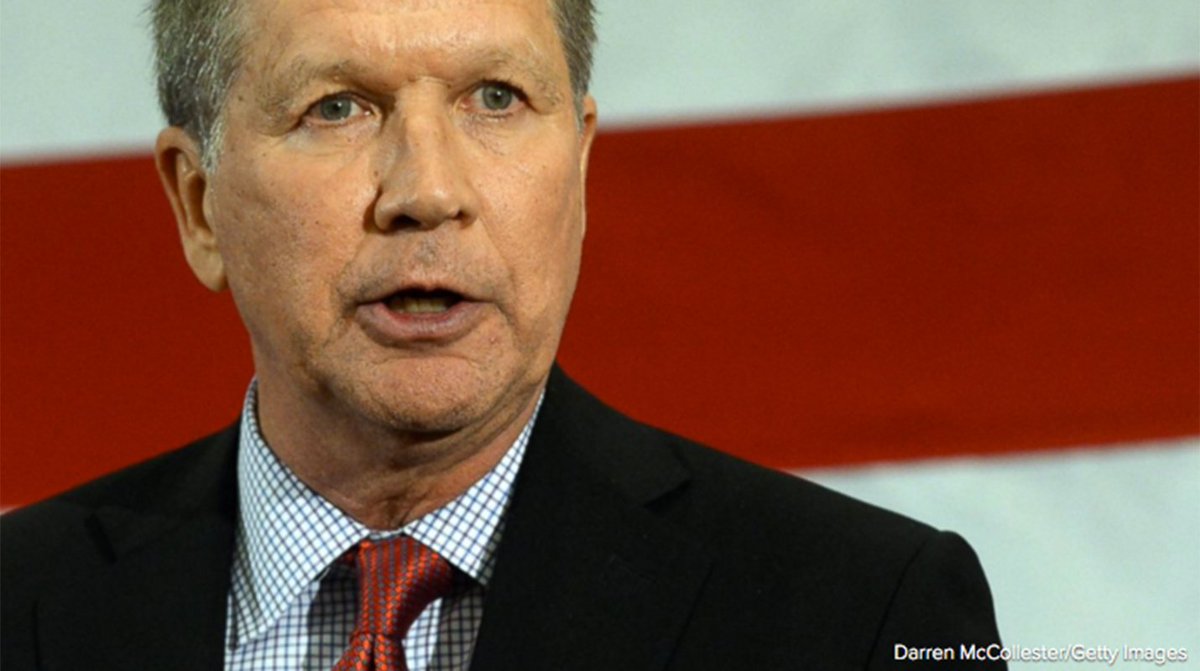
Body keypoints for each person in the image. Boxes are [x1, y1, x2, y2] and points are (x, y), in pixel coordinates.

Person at [1, 0, 1005, 669]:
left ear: (579, 168)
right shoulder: (21, 606)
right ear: (198, 206)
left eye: (496, 99)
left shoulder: (865, 617)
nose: (428, 190)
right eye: (337, 108)